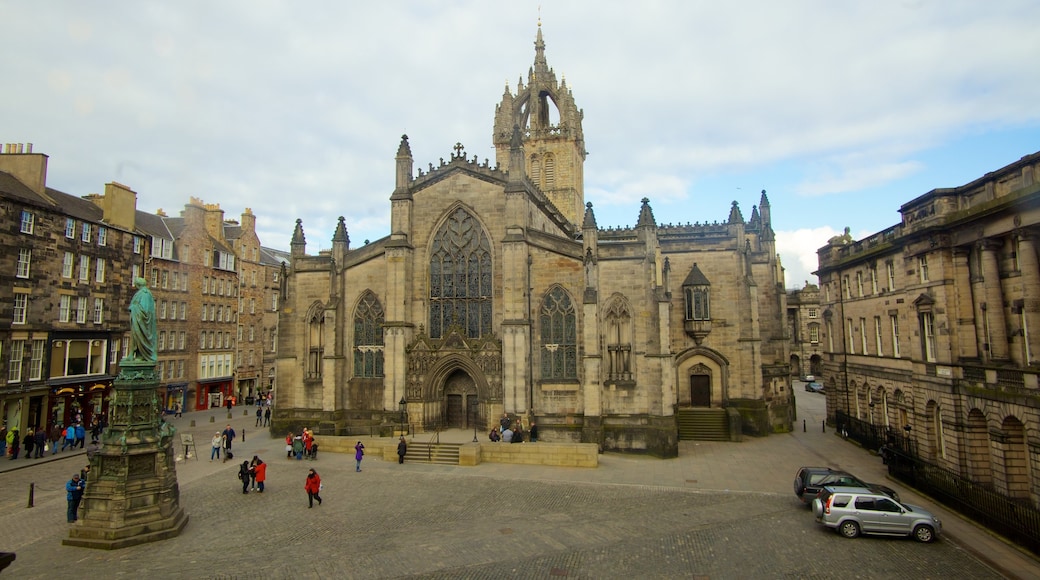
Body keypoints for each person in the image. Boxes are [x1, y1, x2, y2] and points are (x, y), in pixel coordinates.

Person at [127, 277, 158, 363]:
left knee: (138, 337)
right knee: (135, 337)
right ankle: (134, 354)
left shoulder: (144, 294)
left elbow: (145, 310)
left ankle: (140, 355)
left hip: (141, 322)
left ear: (138, 284)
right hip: (137, 321)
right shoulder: (141, 293)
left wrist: (134, 307)